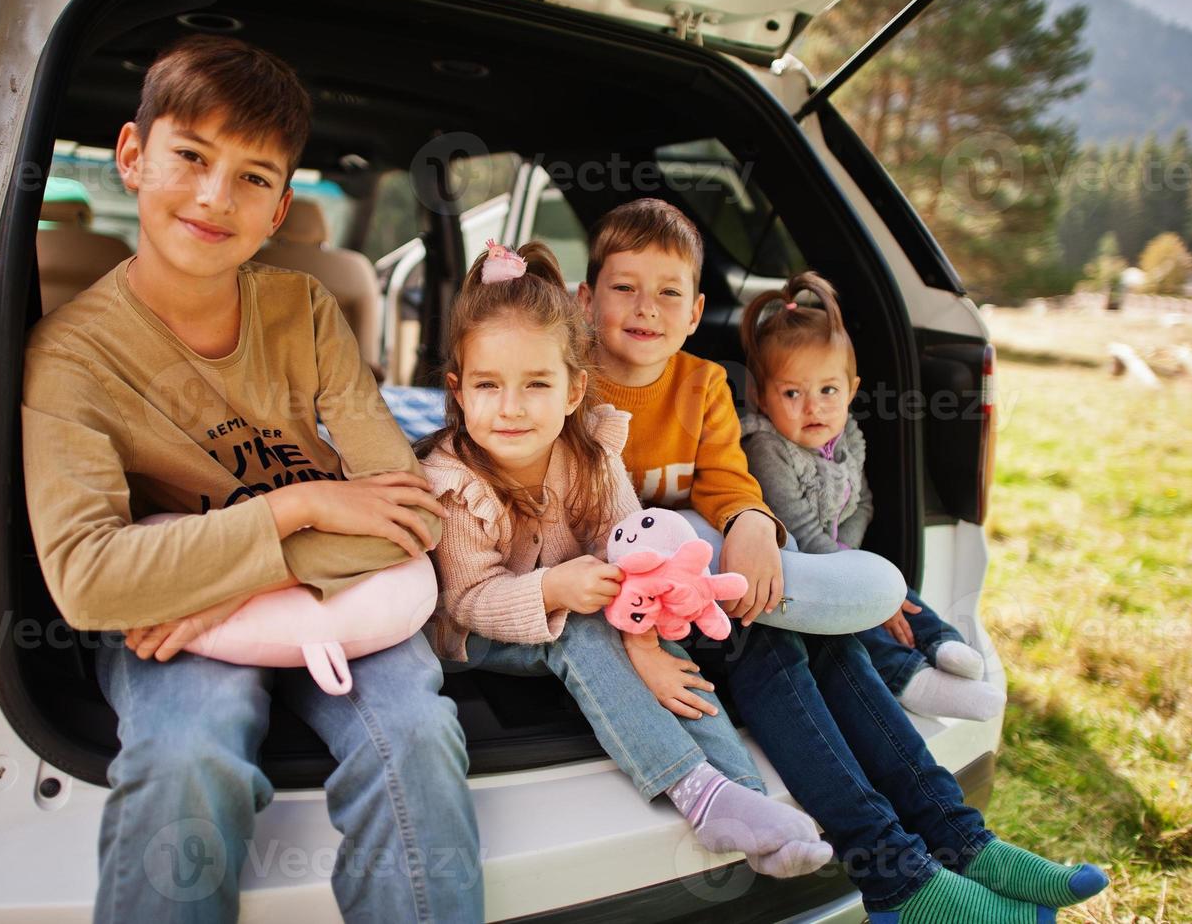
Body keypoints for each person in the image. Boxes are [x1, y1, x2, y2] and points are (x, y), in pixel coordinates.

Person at [21, 35, 480, 923]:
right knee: (186, 755)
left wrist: (240, 573)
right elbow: (87, 580)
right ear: (131, 157)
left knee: (420, 736)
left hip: (284, 594)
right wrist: (303, 502)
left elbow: (409, 508)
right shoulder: (69, 356)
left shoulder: (303, 310)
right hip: (177, 621)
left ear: (278, 211)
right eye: (190, 157)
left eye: (253, 177)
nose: (212, 196)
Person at [580, 198, 1108, 922]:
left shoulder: (703, 384)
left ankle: (960, 842)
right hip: (628, 609)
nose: (646, 308)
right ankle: (898, 877)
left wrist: (751, 523)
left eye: (668, 292)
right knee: (773, 649)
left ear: (697, 306)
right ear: (585, 298)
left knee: (819, 639)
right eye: (623, 288)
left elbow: (728, 479)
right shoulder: (567, 386)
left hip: (712, 586)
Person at [420, 239, 833, 879]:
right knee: (585, 632)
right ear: (458, 390)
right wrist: (555, 589)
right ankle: (697, 792)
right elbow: (466, 600)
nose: (510, 406)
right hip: (481, 632)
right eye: (487, 385)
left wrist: (646, 643)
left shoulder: (590, 452)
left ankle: (746, 796)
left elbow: (630, 545)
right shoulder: (452, 481)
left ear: (572, 389)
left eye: (536, 384)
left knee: (665, 639)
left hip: (583, 597)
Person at [738, 270, 1006, 722]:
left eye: (828, 390)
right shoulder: (766, 449)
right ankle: (910, 679)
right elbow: (798, 528)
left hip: (839, 556)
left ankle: (942, 644)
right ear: (762, 399)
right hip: (792, 570)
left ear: (852, 391)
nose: (813, 407)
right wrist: (856, 576)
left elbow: (861, 502)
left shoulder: (849, 439)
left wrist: (857, 558)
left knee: (901, 588)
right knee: (857, 616)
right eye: (791, 393)